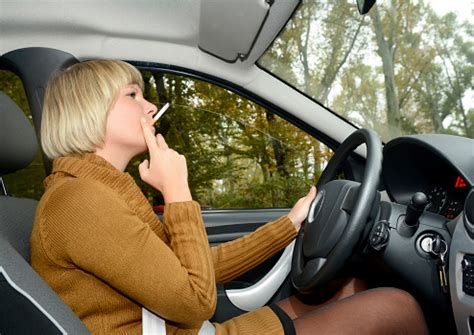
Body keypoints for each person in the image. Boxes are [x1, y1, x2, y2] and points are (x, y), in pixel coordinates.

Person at [31, 60, 428, 335]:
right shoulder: (79, 201)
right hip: (191, 327)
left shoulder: (99, 190)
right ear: (90, 109)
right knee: (399, 307)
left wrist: (289, 225)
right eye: (133, 95)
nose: (150, 106)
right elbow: (193, 300)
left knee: (353, 286)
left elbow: (192, 267)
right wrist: (176, 191)